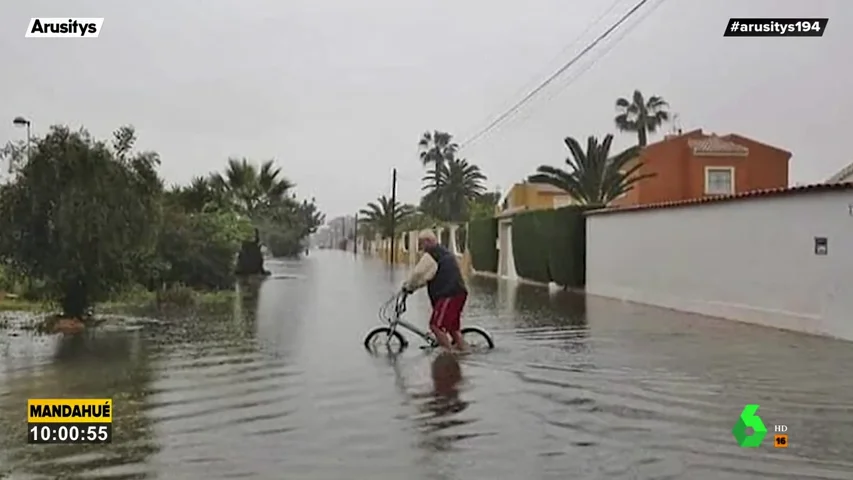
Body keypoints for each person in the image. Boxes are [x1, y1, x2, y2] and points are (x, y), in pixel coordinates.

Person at [402, 229, 468, 352]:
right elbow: (427, 277)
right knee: (452, 328)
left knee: (435, 325)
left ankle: (448, 355)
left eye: (421, 243)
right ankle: (464, 350)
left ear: (428, 241)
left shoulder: (432, 256)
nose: (421, 247)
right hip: (459, 293)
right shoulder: (443, 252)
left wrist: (408, 287)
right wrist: (414, 287)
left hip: (449, 294)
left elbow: (418, 274)